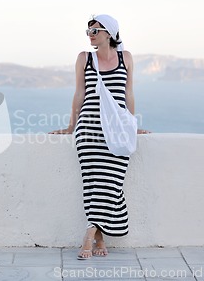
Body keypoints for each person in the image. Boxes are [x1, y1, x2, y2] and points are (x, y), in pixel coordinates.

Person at [50, 14, 150, 259]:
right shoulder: (84, 59)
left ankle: (91, 234)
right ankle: (98, 237)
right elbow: (79, 93)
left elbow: (129, 93)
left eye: (94, 30)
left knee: (111, 182)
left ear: (109, 32)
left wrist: (132, 125)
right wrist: (71, 126)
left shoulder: (125, 58)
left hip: (117, 130)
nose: (90, 35)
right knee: (93, 183)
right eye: (88, 31)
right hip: (89, 129)